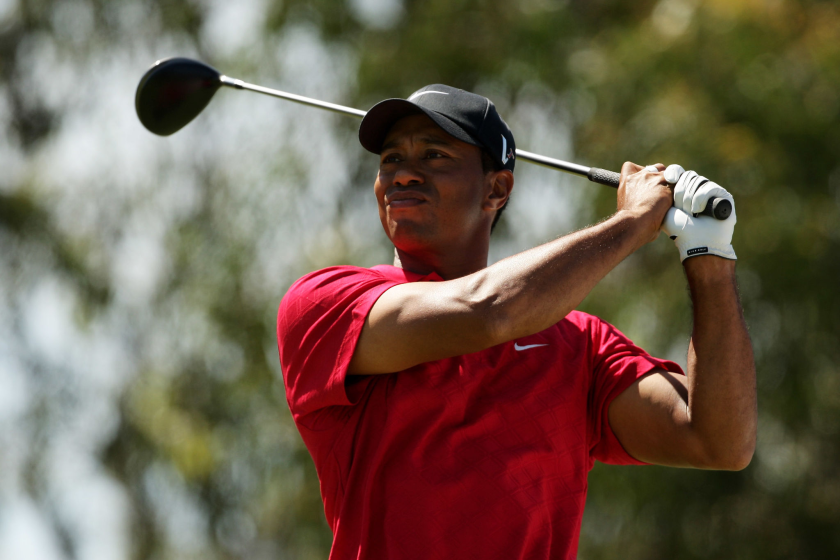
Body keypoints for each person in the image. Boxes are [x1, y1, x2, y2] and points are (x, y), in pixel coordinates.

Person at [276, 84, 756, 559]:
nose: (403, 175)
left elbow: (719, 441)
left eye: (435, 155)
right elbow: (490, 311)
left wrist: (708, 256)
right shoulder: (327, 304)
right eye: (391, 159)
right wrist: (633, 221)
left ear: (496, 188)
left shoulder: (580, 346)